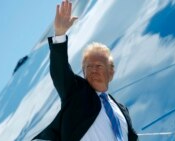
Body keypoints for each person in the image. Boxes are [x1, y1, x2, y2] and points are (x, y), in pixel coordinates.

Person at [33, 0, 138, 141]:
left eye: (99, 65)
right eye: (88, 67)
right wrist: (60, 34)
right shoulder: (76, 92)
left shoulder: (122, 110)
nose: (93, 70)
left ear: (111, 71)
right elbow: (60, 70)